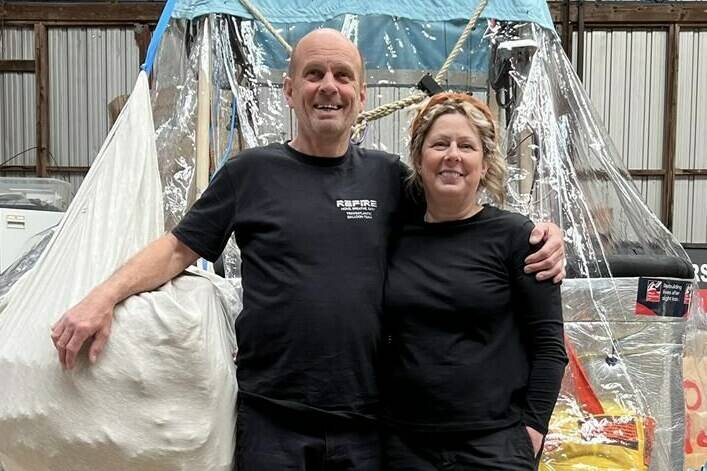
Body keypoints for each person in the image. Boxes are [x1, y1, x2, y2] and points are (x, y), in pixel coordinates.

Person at [50, 30, 565, 470]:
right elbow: (177, 250)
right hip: (271, 416)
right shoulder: (250, 174)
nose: (329, 87)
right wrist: (103, 297)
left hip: (367, 425)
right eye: (314, 74)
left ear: (361, 95)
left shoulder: (389, 180)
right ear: (289, 89)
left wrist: (542, 235)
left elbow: (458, 207)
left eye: (343, 76)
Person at [383, 92, 568, 470]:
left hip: (494, 446)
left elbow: (550, 347)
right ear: (419, 160)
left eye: (466, 146)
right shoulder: (393, 237)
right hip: (406, 446)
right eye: (439, 144)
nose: (452, 155)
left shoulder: (518, 238)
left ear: (484, 165)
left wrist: (531, 430)